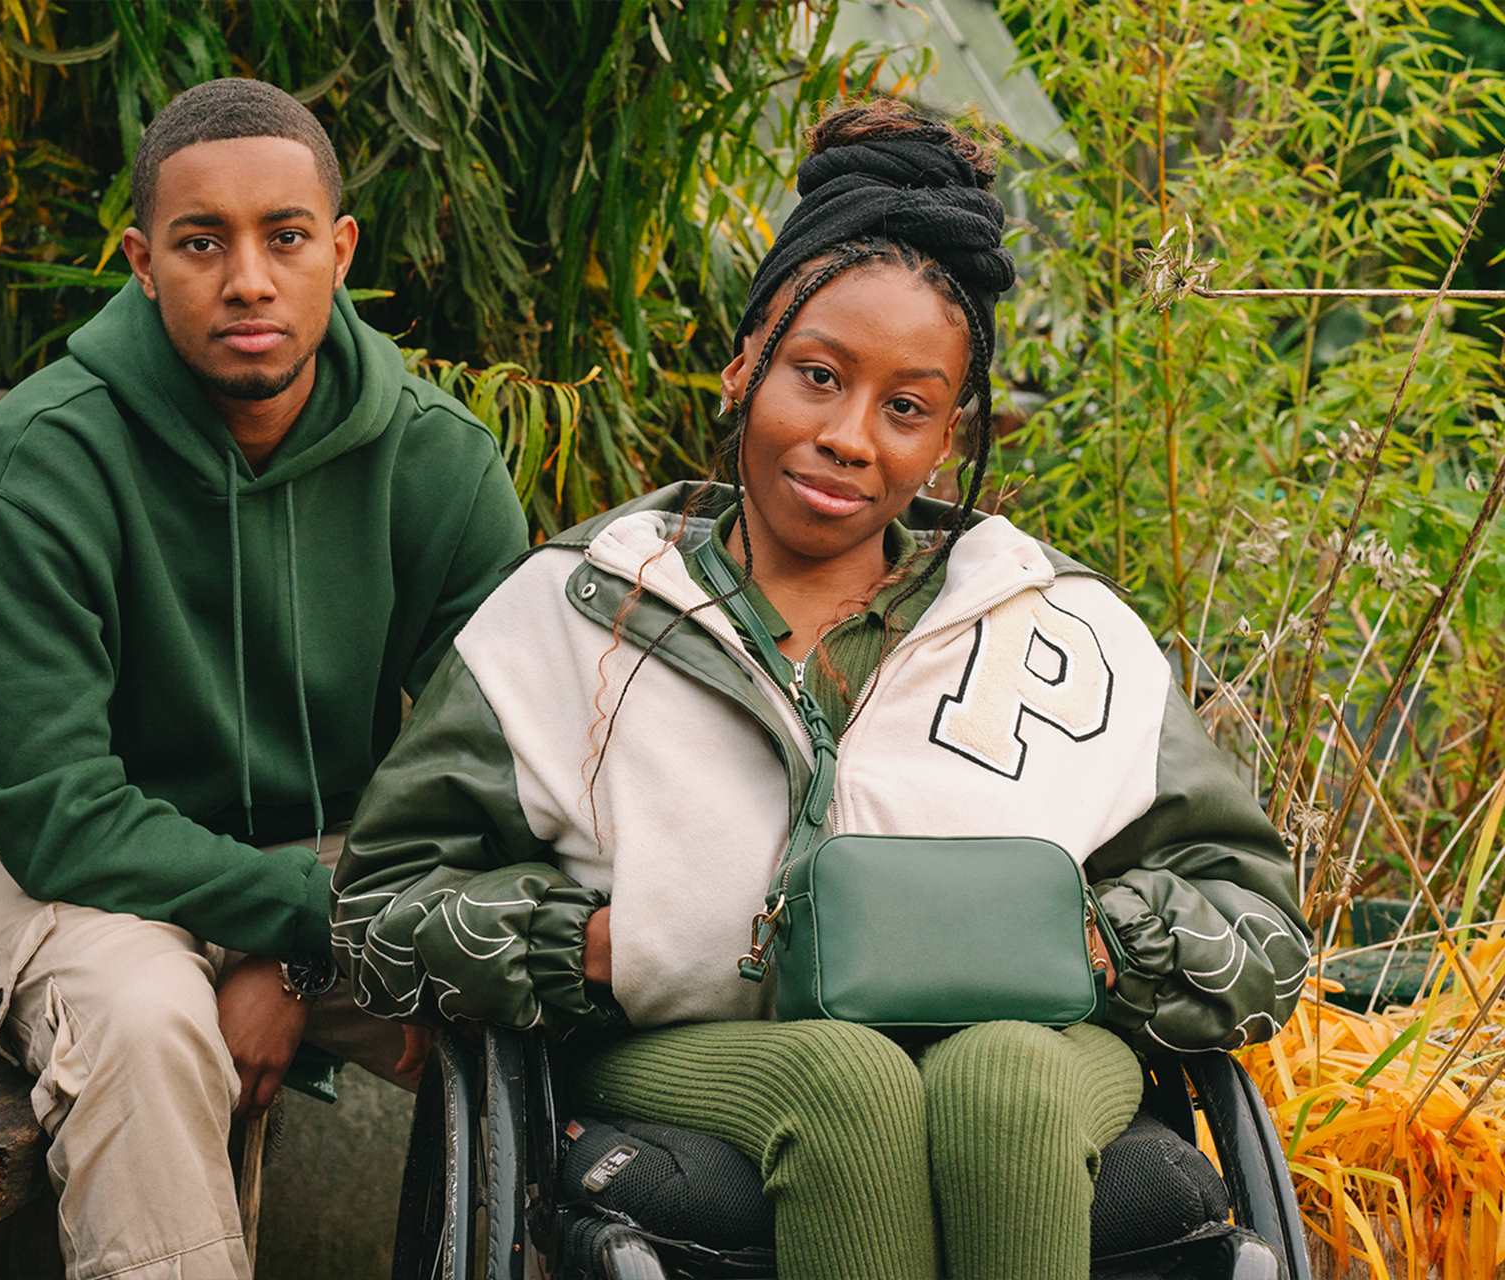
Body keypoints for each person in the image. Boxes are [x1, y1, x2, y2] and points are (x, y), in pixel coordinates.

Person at [332, 98, 1312, 1280]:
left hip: (1041, 1049)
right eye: (818, 375)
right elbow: (379, 915)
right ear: (745, 363)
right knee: (847, 1082)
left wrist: (1085, 946)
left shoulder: (1065, 631)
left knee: (1002, 1075)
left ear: (950, 435)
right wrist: (588, 943)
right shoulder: (570, 612)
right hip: (695, 1050)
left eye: (906, 406)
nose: (851, 436)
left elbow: (1263, 930)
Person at [0, 78, 528, 1280]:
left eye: (284, 237)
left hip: (328, 864)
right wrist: (294, 923)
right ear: (142, 262)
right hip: (63, 883)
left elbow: (490, 768)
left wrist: (287, 950)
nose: (248, 279)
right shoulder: (44, 458)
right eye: (203, 242)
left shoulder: (437, 461)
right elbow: (52, 809)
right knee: (149, 1021)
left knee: (526, 978)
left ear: (338, 251)